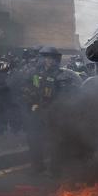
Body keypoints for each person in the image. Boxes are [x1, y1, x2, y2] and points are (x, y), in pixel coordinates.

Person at [24, 46, 73, 175]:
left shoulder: (61, 75)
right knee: (33, 139)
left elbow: (65, 96)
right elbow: (32, 88)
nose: (48, 61)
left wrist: (53, 107)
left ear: (56, 59)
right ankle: (37, 167)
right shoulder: (36, 74)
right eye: (46, 57)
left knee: (54, 142)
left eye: (51, 58)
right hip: (37, 111)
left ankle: (54, 169)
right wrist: (33, 102)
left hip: (53, 113)